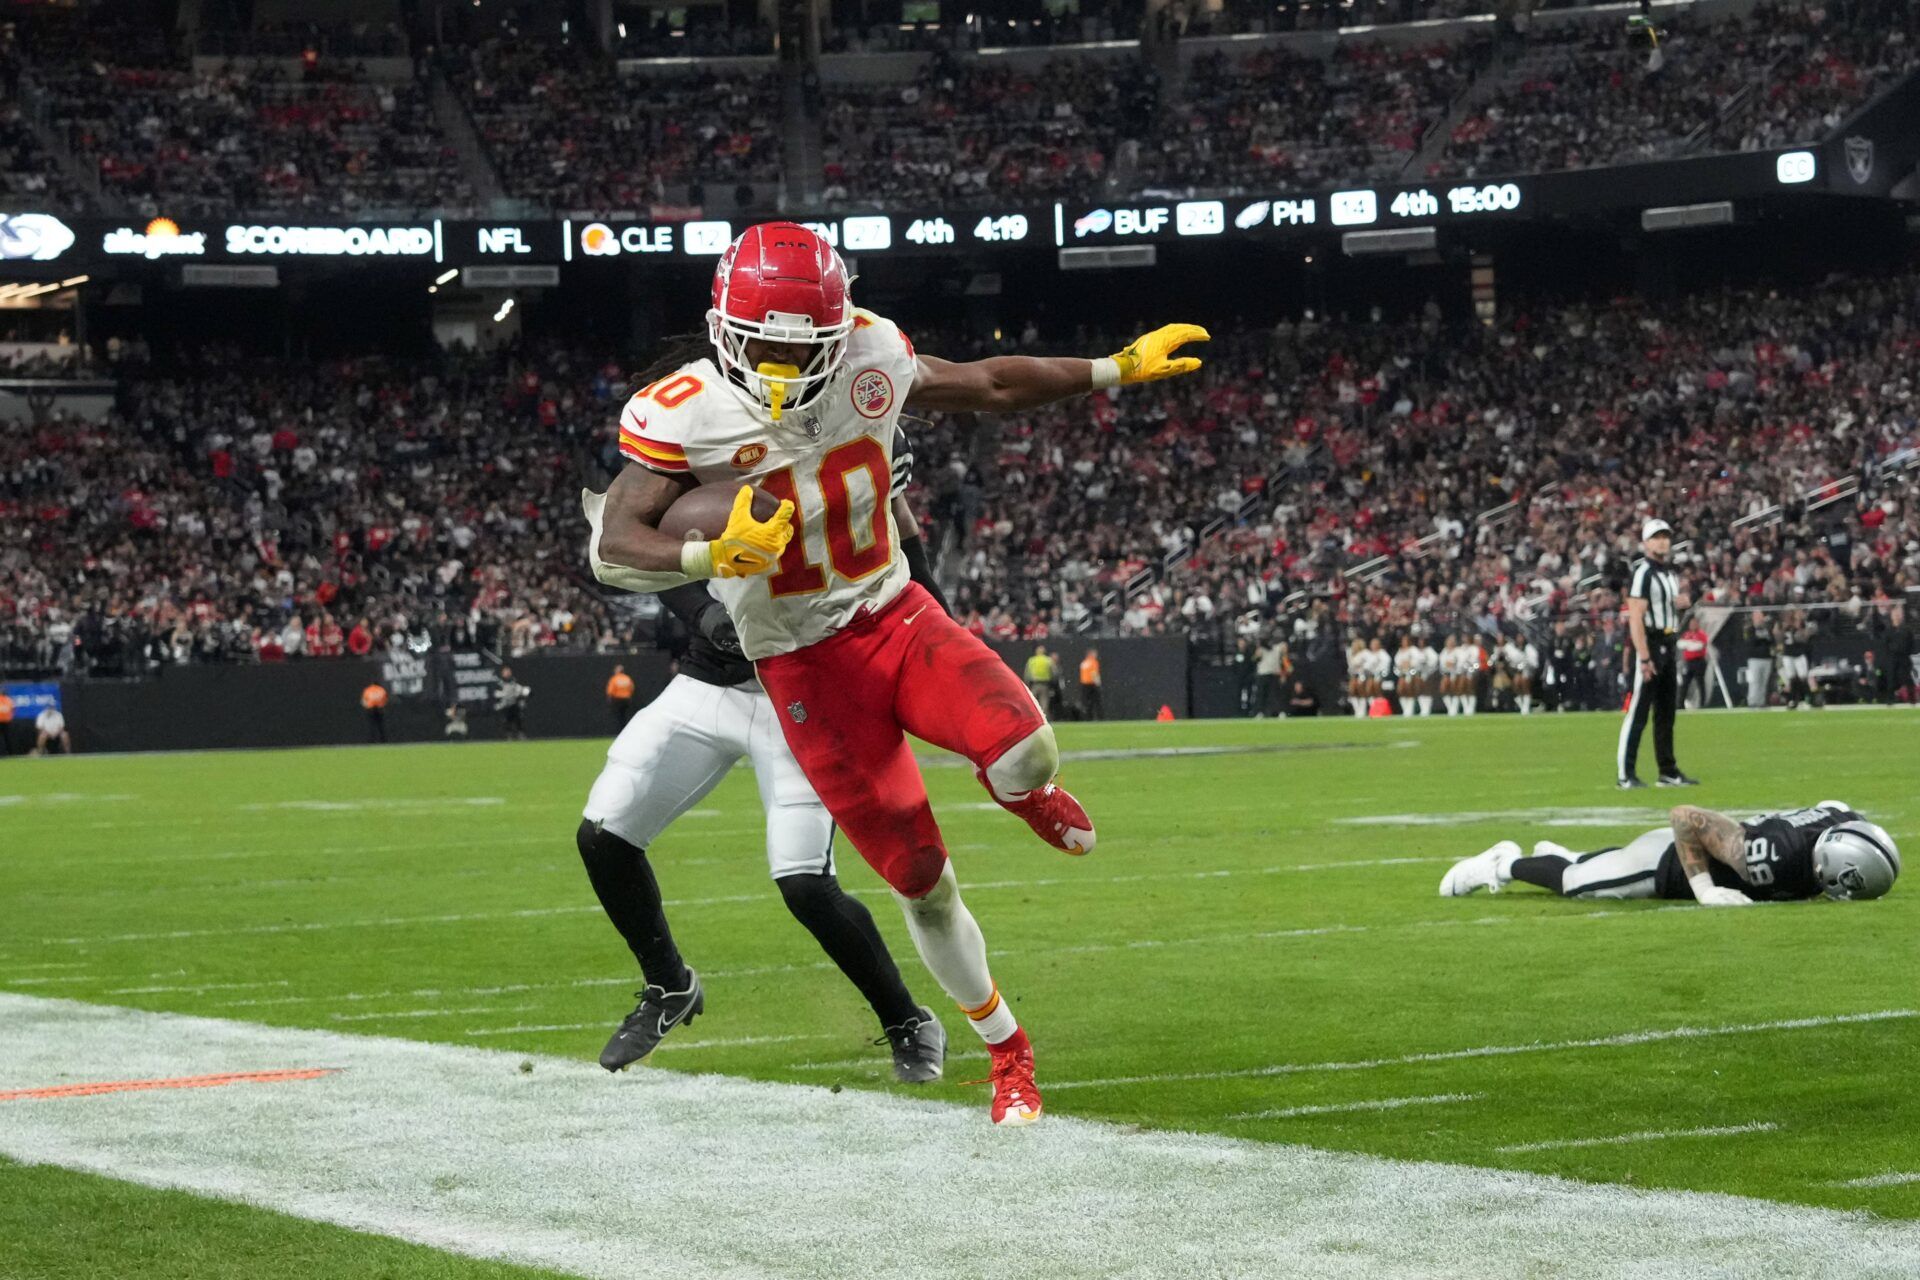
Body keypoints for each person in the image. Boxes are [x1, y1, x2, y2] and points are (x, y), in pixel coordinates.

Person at [584, 220, 1207, 1125]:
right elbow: (614, 545)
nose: (788, 372)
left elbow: (988, 381)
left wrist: (1115, 368)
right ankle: (1008, 1053)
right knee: (921, 878)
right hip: (800, 668)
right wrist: (705, 555)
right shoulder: (682, 410)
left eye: (810, 351)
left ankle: (1024, 794)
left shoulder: (873, 350)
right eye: (766, 348)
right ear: (725, 327)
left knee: (1029, 751)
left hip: (893, 614)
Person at [579, 428, 949, 1083]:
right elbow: (651, 557)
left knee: (805, 883)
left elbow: (923, 601)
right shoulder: (726, 451)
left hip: (804, 701)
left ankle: (905, 1018)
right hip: (713, 681)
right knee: (605, 832)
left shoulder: (871, 498)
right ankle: (669, 984)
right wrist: (707, 617)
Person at [1438, 801, 1898, 905]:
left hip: (1687, 852)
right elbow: (1686, 818)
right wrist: (1703, 889)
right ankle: (1502, 863)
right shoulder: (1777, 854)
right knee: (1575, 886)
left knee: (1588, 868)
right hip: (1668, 864)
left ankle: (1570, 854)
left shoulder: (1840, 819)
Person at [1617, 518, 1698, 788]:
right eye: (1657, 537)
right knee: (1639, 712)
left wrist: (1681, 605)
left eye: (1666, 536)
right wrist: (1643, 657)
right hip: (1651, 644)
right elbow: (1636, 618)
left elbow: (1666, 609)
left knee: (1666, 713)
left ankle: (1668, 770)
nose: (1663, 541)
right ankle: (1625, 774)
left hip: (1668, 642)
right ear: (1646, 542)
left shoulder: (1669, 573)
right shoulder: (1643, 573)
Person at [1677, 619, 1709, 708]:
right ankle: (1680, 704)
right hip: (1689, 662)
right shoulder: (1687, 634)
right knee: (1685, 683)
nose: (1692, 625)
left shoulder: (1701, 634)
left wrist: (1689, 644)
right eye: (1691, 624)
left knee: (1700, 683)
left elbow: (1699, 646)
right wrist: (1691, 644)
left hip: (1699, 661)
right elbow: (1680, 644)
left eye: (1694, 624)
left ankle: (1702, 704)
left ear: (1698, 624)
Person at [496, 667, 530, 739]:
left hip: (513, 704)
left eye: (509, 671)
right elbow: (496, 693)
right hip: (504, 705)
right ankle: (509, 736)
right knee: (506, 721)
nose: (508, 673)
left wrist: (522, 697)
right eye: (506, 672)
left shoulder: (514, 681)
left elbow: (521, 690)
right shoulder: (499, 683)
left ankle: (521, 734)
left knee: (518, 719)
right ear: (502, 673)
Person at [1023, 644, 1055, 718]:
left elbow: (1027, 673)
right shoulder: (1048, 660)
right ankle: (1044, 718)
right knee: (1044, 702)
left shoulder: (1032, 660)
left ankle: (1032, 718)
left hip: (1034, 684)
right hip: (1045, 684)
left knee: (1032, 702)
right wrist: (1052, 683)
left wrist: (1027, 683)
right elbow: (1053, 672)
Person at [606, 664, 636, 728]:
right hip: (626, 700)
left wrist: (609, 699)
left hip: (617, 700)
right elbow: (632, 688)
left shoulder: (614, 679)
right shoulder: (627, 678)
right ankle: (625, 728)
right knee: (625, 715)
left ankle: (620, 730)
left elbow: (610, 691)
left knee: (619, 716)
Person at [1078, 646, 1103, 721]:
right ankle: (1099, 717)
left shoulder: (1084, 662)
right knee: (1096, 702)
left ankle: (1088, 717)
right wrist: (1098, 683)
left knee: (1087, 703)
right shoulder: (1093, 662)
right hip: (1092, 684)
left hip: (1084, 685)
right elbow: (1094, 673)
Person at [0, 690, 13, 757]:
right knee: (7, 738)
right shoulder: (9, 700)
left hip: (5, 722)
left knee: (7, 738)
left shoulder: (8, 700)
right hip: (6, 722)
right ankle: (8, 753)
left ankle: (8, 753)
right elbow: (12, 710)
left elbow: (11, 709)